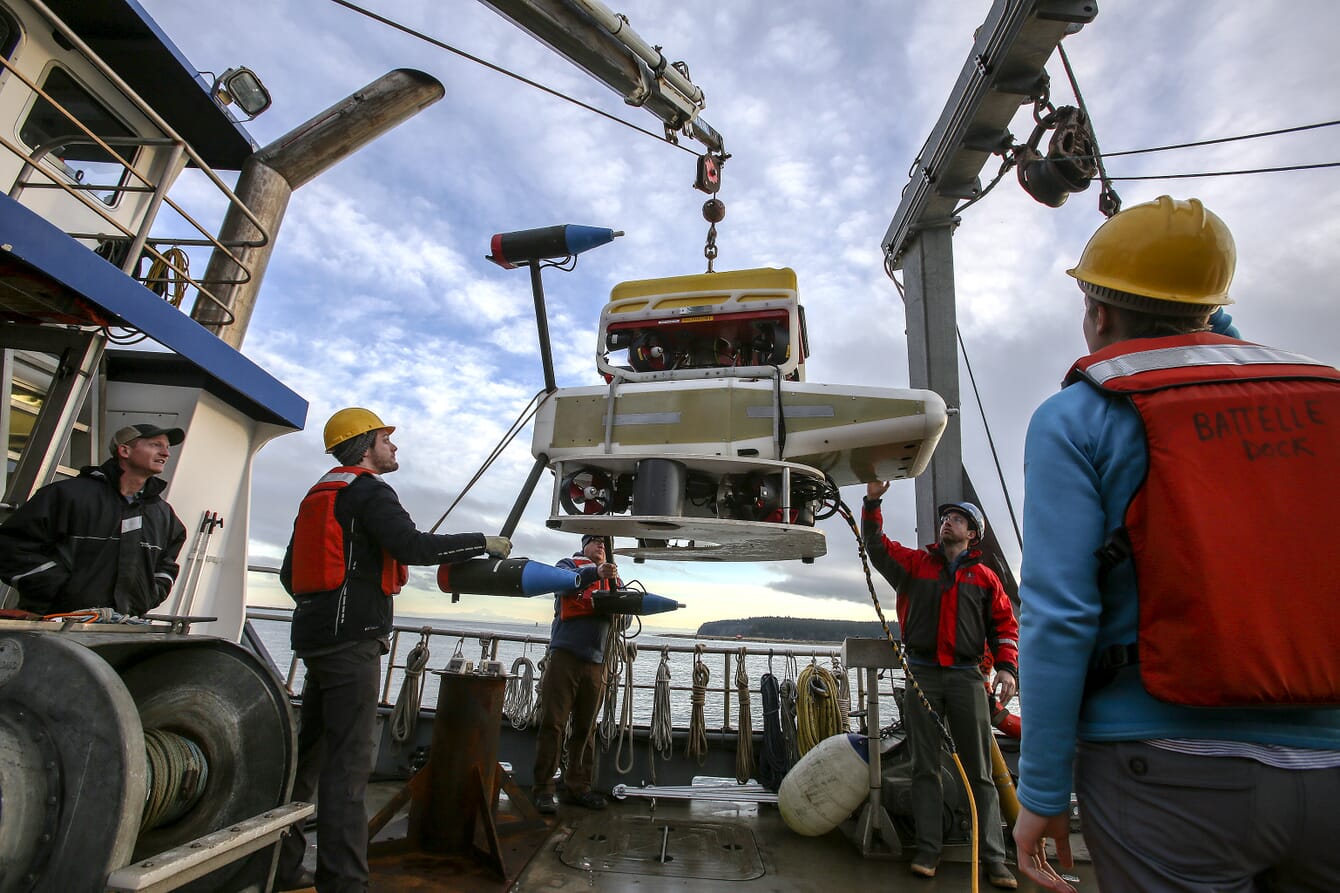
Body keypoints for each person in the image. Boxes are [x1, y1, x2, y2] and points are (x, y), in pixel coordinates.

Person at [1012, 196, 1340, 893]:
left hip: (1165, 773)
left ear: (1099, 314)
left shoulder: (1078, 416)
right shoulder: (1326, 397)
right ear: (1209, 309)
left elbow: (1060, 614)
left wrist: (1041, 794)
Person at [275, 407, 511, 893]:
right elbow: (413, 547)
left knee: (308, 762)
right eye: (387, 438)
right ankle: (344, 883)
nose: (395, 447)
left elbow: (288, 573)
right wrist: (482, 542)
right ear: (366, 445)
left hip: (315, 639)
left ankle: (279, 867)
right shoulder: (368, 490)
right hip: (352, 641)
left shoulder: (321, 493)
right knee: (348, 768)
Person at [863, 483, 1020, 889]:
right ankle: (928, 851)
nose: (946, 522)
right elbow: (876, 546)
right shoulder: (915, 565)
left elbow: (1004, 625)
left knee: (980, 772)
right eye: (946, 518)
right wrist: (873, 501)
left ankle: (994, 859)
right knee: (924, 768)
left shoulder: (985, 579)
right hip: (922, 673)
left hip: (968, 678)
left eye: (957, 519)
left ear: (972, 533)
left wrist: (1006, 668)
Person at [0, 422, 186, 617]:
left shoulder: (163, 514)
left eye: (166, 447)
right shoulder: (66, 496)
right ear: (124, 450)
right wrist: (57, 589)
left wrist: (151, 594)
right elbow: (11, 546)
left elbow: (167, 564)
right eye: (155, 445)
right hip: (53, 623)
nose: (166, 453)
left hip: (124, 628)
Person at [531, 532, 620, 815]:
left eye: (604, 542)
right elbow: (566, 585)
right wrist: (595, 572)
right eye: (594, 540)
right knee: (553, 723)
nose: (601, 545)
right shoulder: (567, 566)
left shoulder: (615, 579)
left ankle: (578, 787)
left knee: (586, 728)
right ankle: (543, 789)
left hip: (597, 663)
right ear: (583, 545)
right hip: (565, 658)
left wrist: (621, 599)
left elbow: (625, 618)